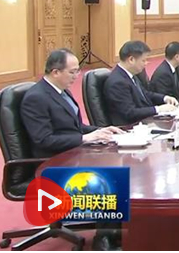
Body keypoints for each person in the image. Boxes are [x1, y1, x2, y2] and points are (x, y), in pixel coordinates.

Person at [20, 49, 125, 251]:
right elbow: (43, 140)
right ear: (55, 72)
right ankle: (104, 240)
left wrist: (99, 131)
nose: (77, 76)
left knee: (117, 162)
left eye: (77, 71)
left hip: (70, 153)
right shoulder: (37, 98)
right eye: (72, 72)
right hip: (50, 163)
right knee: (108, 176)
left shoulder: (60, 91)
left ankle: (116, 230)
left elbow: (75, 127)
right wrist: (84, 138)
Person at [104, 41, 178, 126]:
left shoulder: (130, 74)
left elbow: (144, 94)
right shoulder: (117, 82)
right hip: (131, 127)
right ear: (131, 60)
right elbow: (129, 113)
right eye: (143, 60)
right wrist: (158, 109)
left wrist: (164, 98)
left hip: (144, 121)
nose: (146, 63)